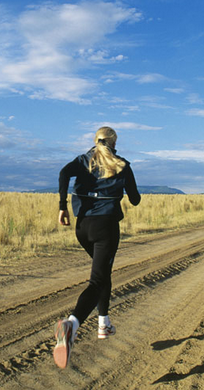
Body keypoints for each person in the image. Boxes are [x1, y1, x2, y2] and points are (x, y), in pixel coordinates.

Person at [53, 126, 141, 369]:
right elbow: (134, 198)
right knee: (97, 280)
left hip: (82, 228)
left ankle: (104, 323)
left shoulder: (83, 160)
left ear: (95, 141)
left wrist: (62, 206)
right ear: (114, 142)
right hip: (106, 227)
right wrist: (126, 190)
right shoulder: (122, 164)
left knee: (103, 274)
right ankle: (72, 324)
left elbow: (63, 173)